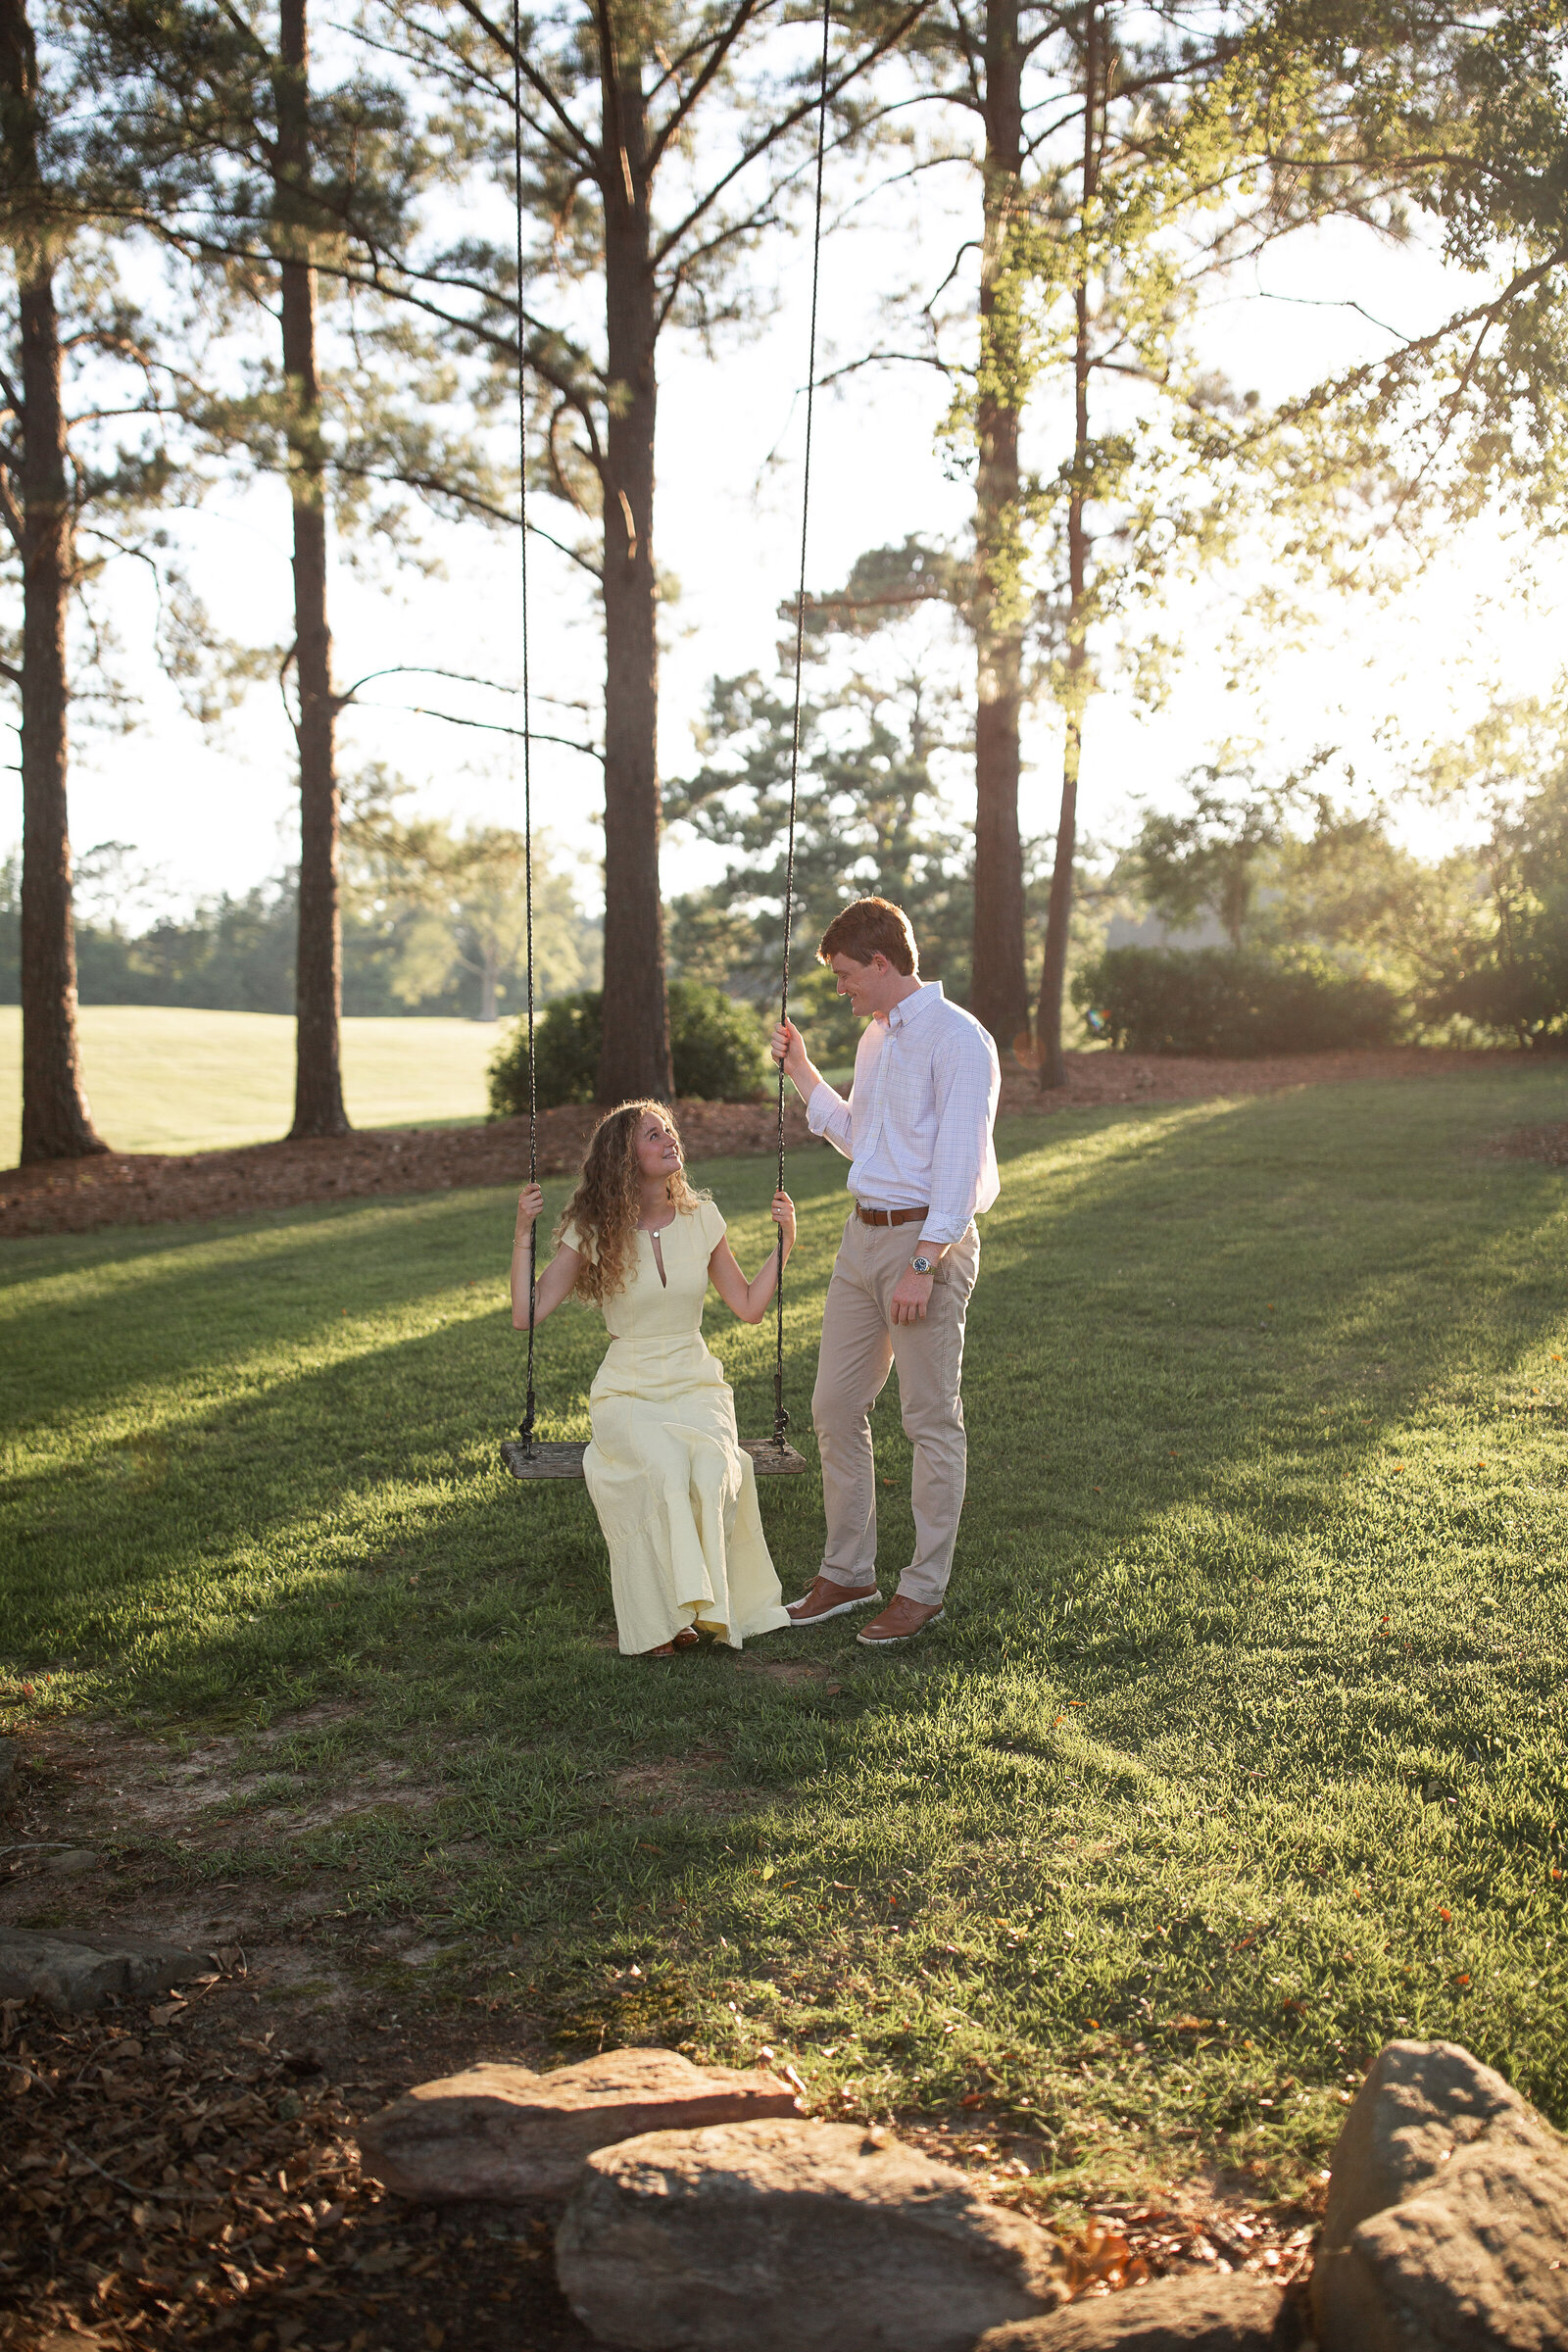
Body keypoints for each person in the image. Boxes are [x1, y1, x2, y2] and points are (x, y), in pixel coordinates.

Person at [772, 898, 1001, 1646]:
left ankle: (923, 1590)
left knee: (929, 1420)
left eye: (845, 975)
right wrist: (804, 1072)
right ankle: (849, 1572)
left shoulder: (960, 1039)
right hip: (859, 1241)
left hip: (925, 1248)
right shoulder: (875, 1040)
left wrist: (925, 1264)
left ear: (880, 962)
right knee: (835, 1407)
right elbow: (860, 1139)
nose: (842, 989)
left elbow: (961, 1169)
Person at [511, 1101, 796, 1659]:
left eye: (668, 1130)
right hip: (628, 1387)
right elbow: (528, 1312)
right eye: (652, 1134)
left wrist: (785, 1245)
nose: (669, 1139)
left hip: (695, 1381)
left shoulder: (702, 1217)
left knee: (716, 1465)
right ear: (625, 1157)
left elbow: (747, 1305)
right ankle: (663, 1620)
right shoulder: (594, 1230)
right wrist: (523, 1230)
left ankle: (705, 1612)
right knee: (664, 1467)